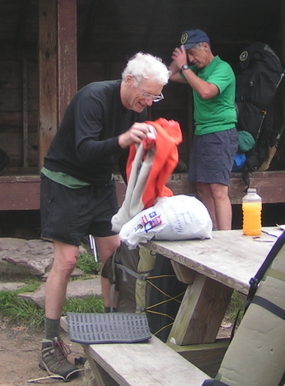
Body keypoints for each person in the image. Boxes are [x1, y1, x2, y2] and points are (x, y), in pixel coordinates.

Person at [38, 52, 170, 381]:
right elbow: (85, 149)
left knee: (115, 253)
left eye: (156, 95)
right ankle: (49, 343)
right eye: (148, 94)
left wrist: (140, 198)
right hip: (65, 182)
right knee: (66, 260)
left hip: (100, 186)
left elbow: (132, 157)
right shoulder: (93, 98)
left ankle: (111, 326)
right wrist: (123, 139)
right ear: (128, 81)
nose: (151, 101)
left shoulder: (142, 105)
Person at [169, 29, 238, 230]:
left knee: (218, 189)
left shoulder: (222, 68)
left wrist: (184, 66)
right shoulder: (196, 71)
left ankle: (225, 238)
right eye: (187, 54)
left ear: (206, 47)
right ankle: (212, 231)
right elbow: (170, 76)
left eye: (193, 53)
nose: (191, 58)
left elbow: (206, 91)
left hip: (220, 134)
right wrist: (178, 58)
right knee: (201, 187)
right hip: (202, 134)